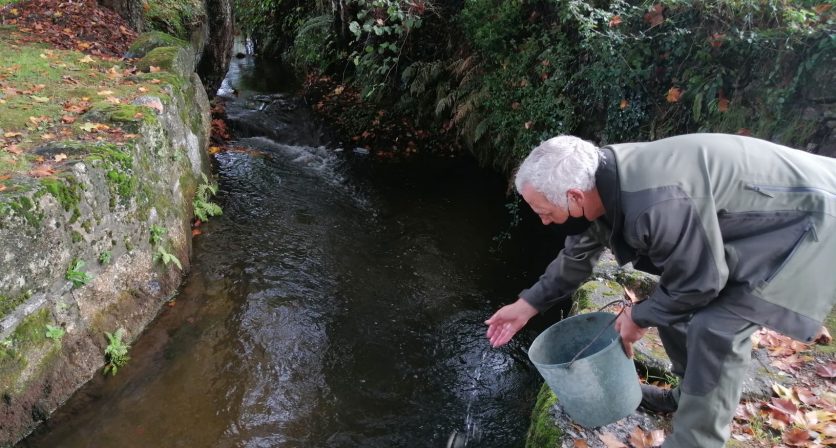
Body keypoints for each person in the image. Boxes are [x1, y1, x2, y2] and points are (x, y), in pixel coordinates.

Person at [485, 133, 836, 447]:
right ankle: (689, 397)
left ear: (574, 196)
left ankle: (696, 440)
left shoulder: (654, 202)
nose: (543, 220)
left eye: (543, 211)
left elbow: (700, 283)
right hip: (767, 214)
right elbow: (577, 257)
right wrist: (527, 305)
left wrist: (638, 317)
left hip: (809, 221)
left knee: (716, 328)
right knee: (670, 300)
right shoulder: (601, 177)